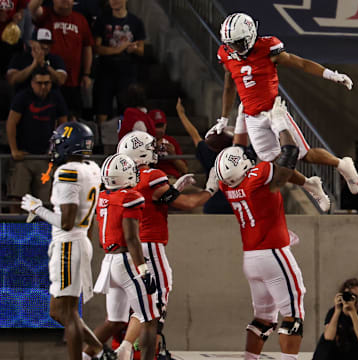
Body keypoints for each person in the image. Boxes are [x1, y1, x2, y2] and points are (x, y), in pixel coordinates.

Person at [82, 130, 218, 360]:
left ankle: (87, 355)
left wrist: (175, 189)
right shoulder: (152, 175)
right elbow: (186, 204)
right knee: (154, 309)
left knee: (116, 318)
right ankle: (131, 351)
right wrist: (211, 189)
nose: (156, 152)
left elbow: (154, 198)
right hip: (146, 248)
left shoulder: (115, 187)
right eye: (152, 148)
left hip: (116, 253)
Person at [211, 12, 358, 212]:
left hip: (274, 111)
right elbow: (229, 86)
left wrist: (332, 75)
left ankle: (342, 164)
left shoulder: (268, 48)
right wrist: (223, 118)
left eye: (237, 43)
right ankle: (310, 184)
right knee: (275, 164)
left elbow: (301, 63)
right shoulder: (226, 54)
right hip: (251, 116)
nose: (234, 48)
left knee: (304, 155)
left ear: (250, 36)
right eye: (231, 44)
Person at [214, 99, 306, 360]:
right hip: (273, 254)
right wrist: (279, 123)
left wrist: (242, 118)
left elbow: (236, 151)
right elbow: (289, 156)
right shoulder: (259, 177)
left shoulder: (228, 186)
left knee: (264, 318)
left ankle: (249, 359)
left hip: (251, 258)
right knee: (293, 314)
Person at [20, 122, 117, 360]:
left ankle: (86, 355)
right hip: (78, 241)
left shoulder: (68, 172)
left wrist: (38, 209)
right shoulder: (93, 168)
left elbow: (66, 221)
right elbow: (87, 218)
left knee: (69, 312)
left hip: (68, 243)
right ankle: (96, 348)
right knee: (58, 310)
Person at [83, 153, 160, 360]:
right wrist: (143, 270)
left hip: (109, 260)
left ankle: (85, 356)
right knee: (150, 318)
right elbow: (132, 238)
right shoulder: (130, 197)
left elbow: (101, 238)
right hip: (126, 262)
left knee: (115, 321)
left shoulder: (103, 196)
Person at [6, 67, 68, 213]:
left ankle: (42, 234)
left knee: (45, 201)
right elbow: (11, 123)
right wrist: (14, 150)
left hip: (45, 157)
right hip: (24, 156)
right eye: (39, 83)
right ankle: (14, 234)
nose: (43, 87)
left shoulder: (56, 97)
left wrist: (56, 150)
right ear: (32, 83)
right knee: (17, 198)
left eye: (46, 83)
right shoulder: (23, 97)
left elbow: (63, 125)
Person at [28, 0, 94, 117]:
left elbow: (87, 47)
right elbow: (32, 8)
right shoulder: (45, 14)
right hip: (48, 80)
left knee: (72, 117)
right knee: (47, 116)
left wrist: (86, 74)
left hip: (73, 79)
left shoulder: (80, 19)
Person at [175, 97, 232, 214]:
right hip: (234, 204)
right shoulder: (239, 155)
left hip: (212, 204)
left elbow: (194, 134)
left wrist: (181, 114)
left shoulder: (208, 153)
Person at [92, 0, 146, 123]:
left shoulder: (136, 22)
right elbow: (97, 48)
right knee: (102, 109)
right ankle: (101, 139)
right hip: (105, 70)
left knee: (128, 110)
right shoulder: (102, 20)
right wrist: (119, 49)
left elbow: (141, 50)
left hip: (127, 71)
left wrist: (134, 49)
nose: (114, 1)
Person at [7, 28, 67, 93]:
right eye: (42, 42)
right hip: (24, 97)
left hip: (50, 98)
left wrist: (45, 65)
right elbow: (12, 80)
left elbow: (61, 80)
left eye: (48, 43)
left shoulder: (56, 59)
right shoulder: (19, 57)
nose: (46, 46)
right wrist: (33, 65)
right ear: (31, 43)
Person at [312, 278, 358, 360]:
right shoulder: (334, 311)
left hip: (354, 353)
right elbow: (328, 338)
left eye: (354, 296)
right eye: (347, 295)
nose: (350, 298)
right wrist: (337, 311)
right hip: (335, 354)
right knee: (324, 346)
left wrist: (352, 312)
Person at [149, 108, 188, 183]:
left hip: (173, 179)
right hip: (156, 180)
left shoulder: (171, 141)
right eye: (157, 126)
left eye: (162, 126)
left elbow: (184, 169)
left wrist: (173, 155)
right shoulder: (145, 142)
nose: (160, 130)